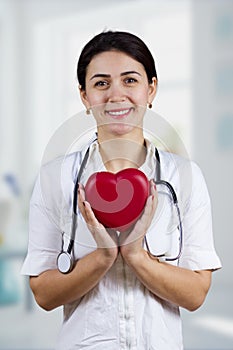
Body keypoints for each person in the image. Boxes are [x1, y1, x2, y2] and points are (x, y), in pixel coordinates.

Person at [21, 30, 221, 350]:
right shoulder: (55, 178)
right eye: (101, 83)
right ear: (84, 96)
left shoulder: (185, 177)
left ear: (150, 89)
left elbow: (196, 292)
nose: (116, 95)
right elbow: (44, 293)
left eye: (130, 80)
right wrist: (102, 258)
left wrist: (136, 255)